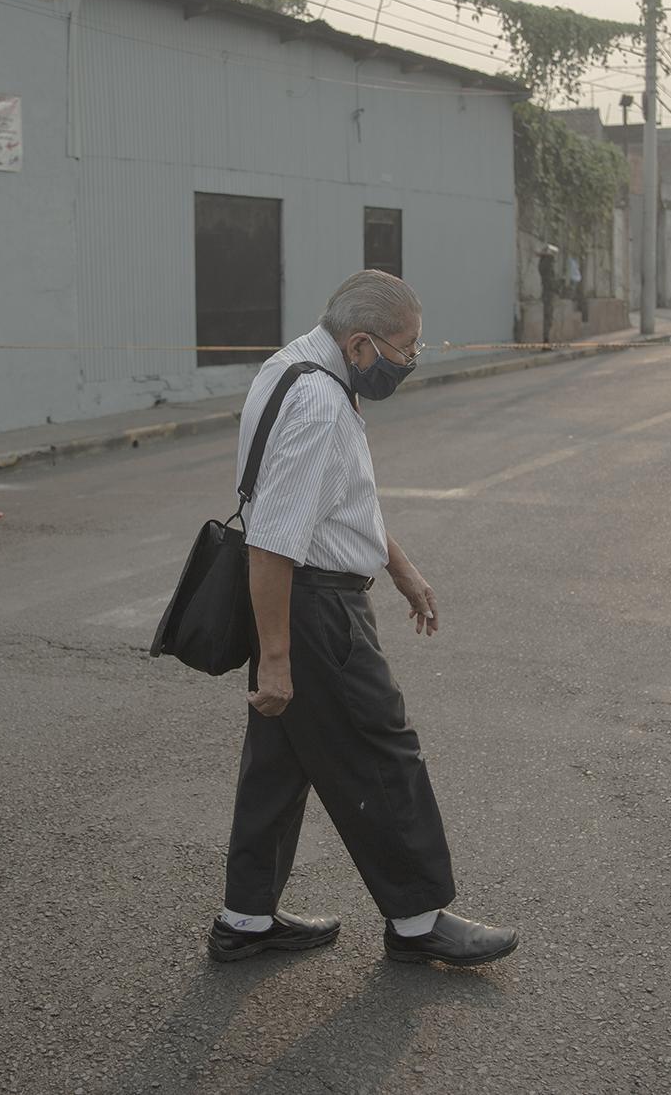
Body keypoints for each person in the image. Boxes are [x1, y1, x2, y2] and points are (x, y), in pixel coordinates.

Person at [207, 270, 520, 968]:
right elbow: (273, 539)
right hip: (316, 609)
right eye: (405, 349)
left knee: (280, 763)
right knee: (384, 754)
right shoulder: (320, 403)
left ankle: (246, 917)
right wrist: (281, 657)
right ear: (359, 343)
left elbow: (338, 500)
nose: (411, 360)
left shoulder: (292, 363)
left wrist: (400, 568)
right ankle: (417, 920)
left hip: (304, 596)